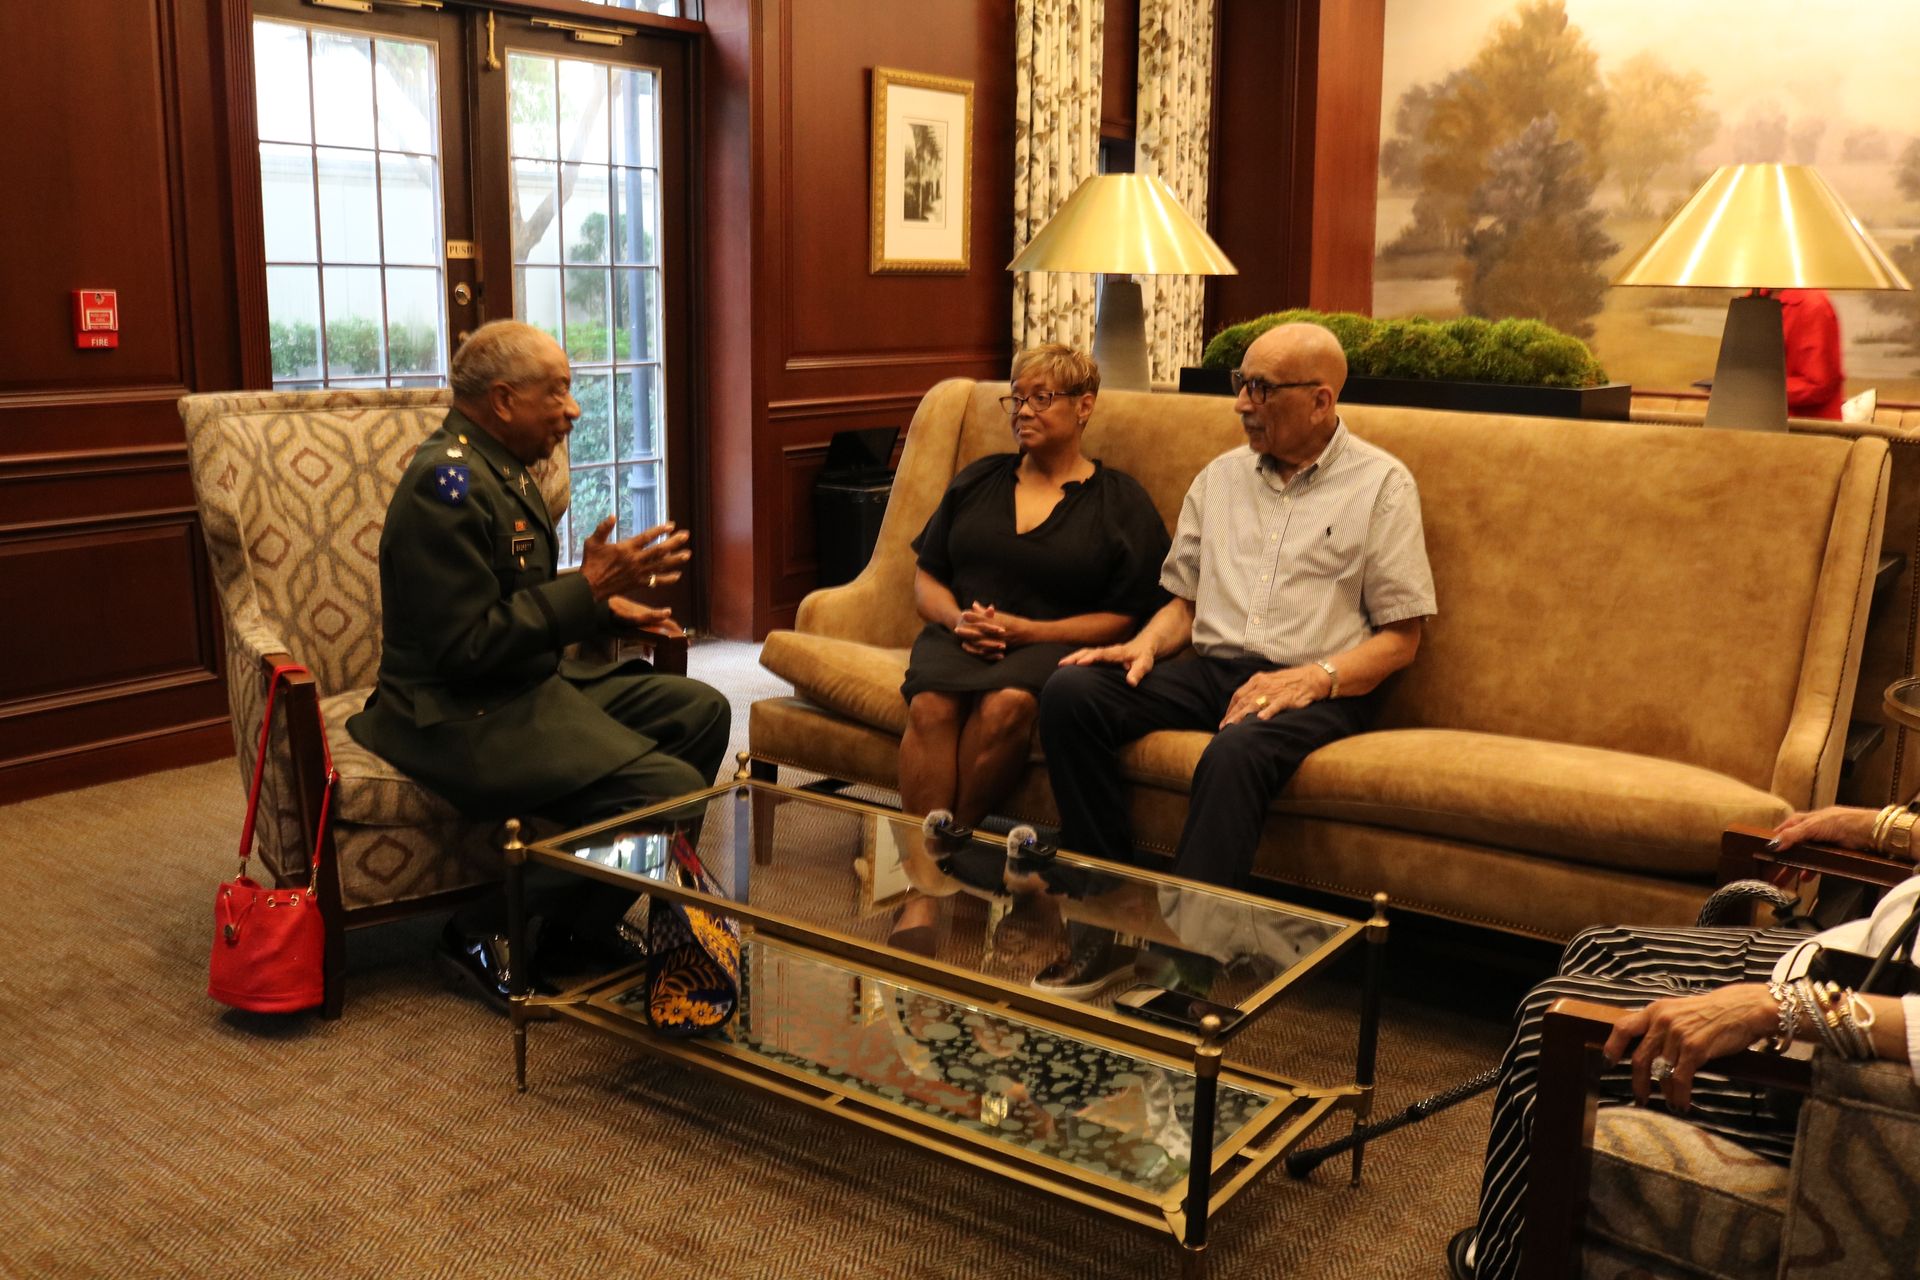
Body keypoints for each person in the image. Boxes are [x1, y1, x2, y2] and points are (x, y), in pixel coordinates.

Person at [1032, 322, 1436, 996]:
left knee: (1235, 752)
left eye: (1261, 389)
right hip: (1214, 670)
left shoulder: (1382, 486)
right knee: (1072, 694)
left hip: (1321, 685)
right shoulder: (1220, 478)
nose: (1242, 404)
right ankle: (1100, 923)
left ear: (1321, 400)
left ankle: (1179, 977)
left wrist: (1314, 677)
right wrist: (1144, 644)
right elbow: (1183, 604)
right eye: (1239, 386)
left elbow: (1403, 637)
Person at [347, 319, 731, 1011]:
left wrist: (608, 610)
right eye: (557, 392)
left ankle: (575, 928)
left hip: (518, 684)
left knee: (701, 711)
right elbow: (463, 646)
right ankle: (483, 928)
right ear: (501, 399)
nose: (574, 409)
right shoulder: (447, 485)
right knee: (668, 789)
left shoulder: (499, 464)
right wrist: (589, 590)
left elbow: (509, 596)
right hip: (454, 712)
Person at [1447, 801, 1920, 1280]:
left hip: (1865, 1064)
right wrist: (1881, 828)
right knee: (1602, 947)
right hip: (1860, 958)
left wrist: (1775, 1008)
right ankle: (1535, 1232)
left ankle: (1501, 1264)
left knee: (1546, 1022)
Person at [896, 344, 1169, 875]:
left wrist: (1029, 632)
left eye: (1041, 398)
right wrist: (956, 619)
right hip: (959, 636)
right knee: (931, 704)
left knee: (1007, 705)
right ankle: (932, 862)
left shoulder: (1119, 501)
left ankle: (941, 856)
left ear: (1084, 406)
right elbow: (927, 576)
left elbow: (1126, 617)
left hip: (1053, 644)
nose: (1023, 412)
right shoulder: (978, 480)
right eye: (1016, 399)